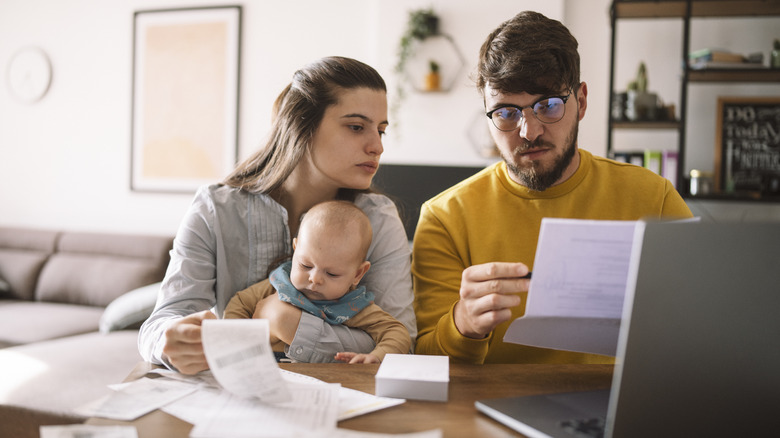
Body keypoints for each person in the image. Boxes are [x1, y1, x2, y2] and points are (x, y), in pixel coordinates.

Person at [411, 11, 693, 365]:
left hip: (620, 406)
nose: (529, 132)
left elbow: (704, 327)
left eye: (548, 105)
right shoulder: (444, 218)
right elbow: (424, 363)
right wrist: (463, 324)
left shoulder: (655, 198)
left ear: (582, 102)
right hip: (490, 411)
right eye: (506, 112)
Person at [139, 56, 416, 374]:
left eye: (381, 130)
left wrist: (286, 323)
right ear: (301, 127)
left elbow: (402, 341)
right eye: (356, 127)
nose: (377, 146)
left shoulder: (378, 219)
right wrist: (170, 342)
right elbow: (160, 324)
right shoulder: (215, 209)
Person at [224, 200, 411, 364]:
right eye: (305, 265)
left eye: (332, 274)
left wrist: (377, 356)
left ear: (358, 274)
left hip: (324, 379)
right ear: (295, 249)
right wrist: (235, 343)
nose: (315, 278)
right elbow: (239, 303)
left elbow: (397, 333)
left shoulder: (353, 306)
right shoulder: (279, 284)